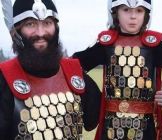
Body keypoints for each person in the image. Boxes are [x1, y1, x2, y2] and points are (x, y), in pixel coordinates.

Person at [72, 0, 162, 139]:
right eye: (126, 10)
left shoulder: (156, 45)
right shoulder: (106, 44)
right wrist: (95, 97)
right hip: (110, 128)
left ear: (146, 14)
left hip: (145, 129)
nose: (133, 16)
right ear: (115, 13)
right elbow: (72, 67)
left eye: (139, 10)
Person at [0, 0, 101, 139]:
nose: (40, 33)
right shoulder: (3, 78)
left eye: (47, 23)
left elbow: (93, 120)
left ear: (56, 27)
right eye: (30, 24)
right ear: (16, 32)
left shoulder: (73, 72)